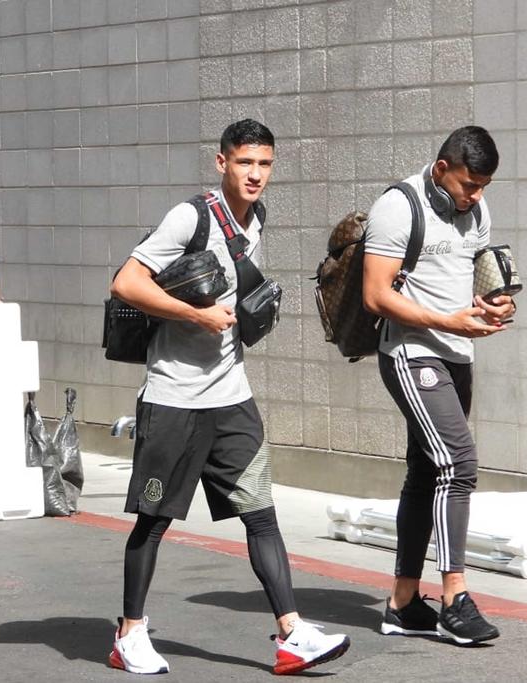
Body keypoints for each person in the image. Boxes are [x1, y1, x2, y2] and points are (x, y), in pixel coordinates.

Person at [108, 119, 350, 675]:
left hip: (231, 398)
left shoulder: (256, 218)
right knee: (153, 521)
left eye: (264, 164)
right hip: (174, 397)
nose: (255, 174)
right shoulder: (189, 217)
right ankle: (129, 633)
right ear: (222, 163)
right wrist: (195, 314)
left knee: (261, 514)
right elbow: (126, 283)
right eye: (245, 163)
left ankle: (291, 633)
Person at [363, 125, 515, 646]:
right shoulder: (398, 207)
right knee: (459, 463)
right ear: (442, 168)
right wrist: (448, 321)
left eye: (484, 187)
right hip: (411, 353)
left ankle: (402, 603)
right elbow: (375, 296)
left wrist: (494, 303)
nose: (475, 196)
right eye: (469, 185)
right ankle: (455, 598)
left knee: (427, 471)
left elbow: (479, 277)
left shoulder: (477, 209)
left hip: (457, 353)